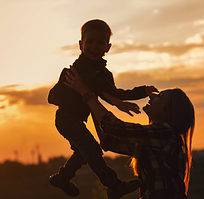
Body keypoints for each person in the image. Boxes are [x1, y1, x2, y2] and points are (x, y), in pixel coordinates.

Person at [48, 19, 157, 198]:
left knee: (85, 153)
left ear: (108, 47)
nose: (94, 46)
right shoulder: (77, 69)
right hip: (66, 118)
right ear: (80, 45)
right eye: (89, 41)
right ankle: (113, 185)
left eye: (100, 42)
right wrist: (115, 102)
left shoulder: (104, 74)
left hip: (75, 120)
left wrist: (142, 91)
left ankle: (63, 177)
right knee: (92, 150)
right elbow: (95, 88)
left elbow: (114, 92)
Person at [64, 66, 195, 199]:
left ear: (168, 111)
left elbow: (115, 128)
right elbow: (109, 141)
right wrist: (91, 99)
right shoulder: (156, 139)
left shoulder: (165, 133)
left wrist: (87, 94)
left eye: (160, 97)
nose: (151, 97)